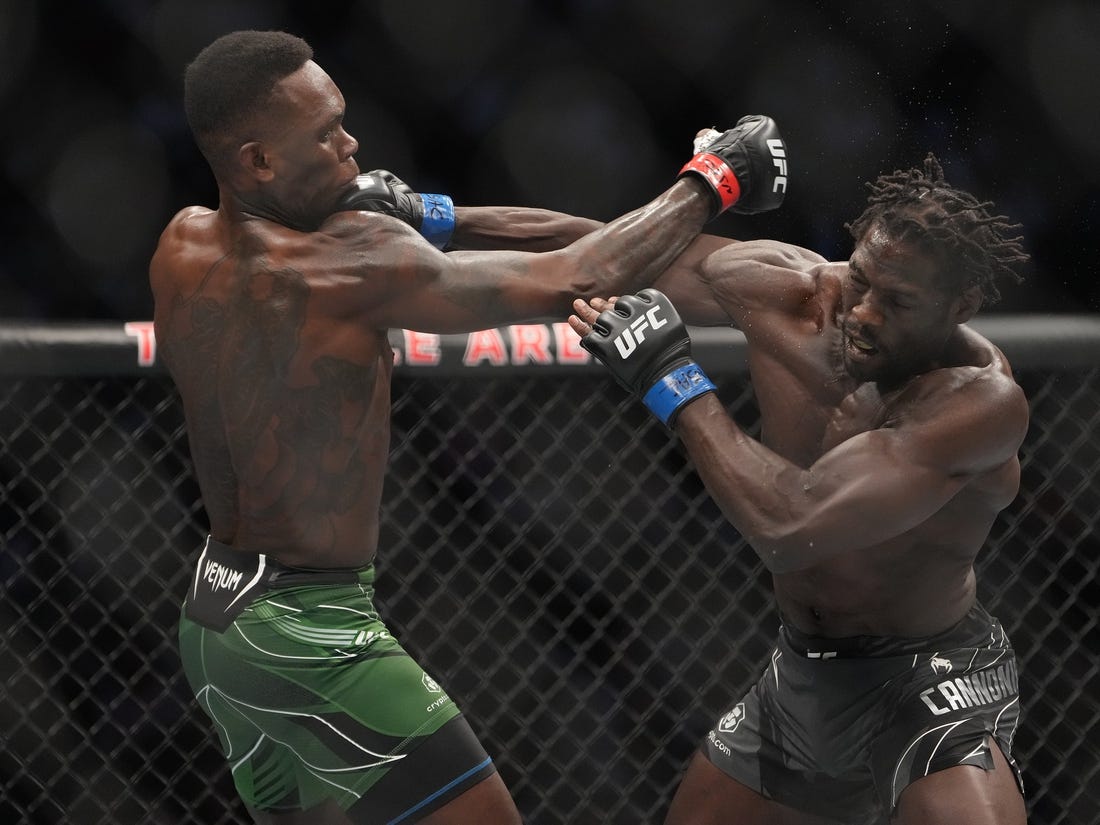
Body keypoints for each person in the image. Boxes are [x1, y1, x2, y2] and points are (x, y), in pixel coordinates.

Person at [150, 29, 788, 825]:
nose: (352, 145)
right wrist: (714, 177)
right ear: (260, 163)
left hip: (216, 622)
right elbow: (577, 276)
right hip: (313, 630)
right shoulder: (348, 262)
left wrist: (421, 214)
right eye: (326, 135)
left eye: (344, 119)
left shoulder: (179, 243)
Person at [568, 153, 1030, 825]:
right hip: (806, 672)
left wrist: (673, 380)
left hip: (929, 676)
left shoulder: (980, 400)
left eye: (897, 301)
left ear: (960, 306)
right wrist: (430, 220)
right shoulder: (796, 292)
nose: (864, 312)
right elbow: (600, 251)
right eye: (862, 279)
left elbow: (795, 527)